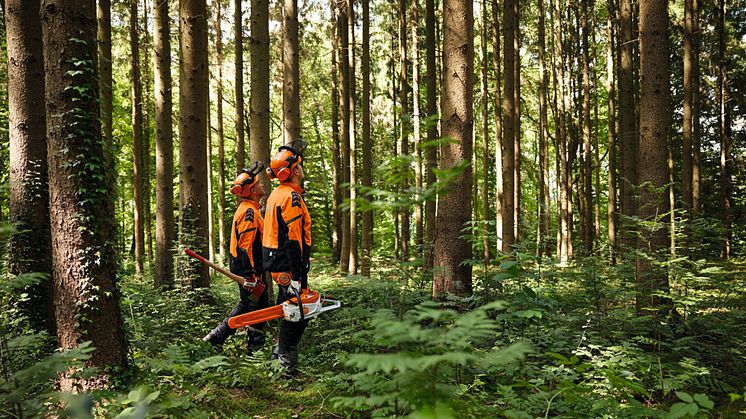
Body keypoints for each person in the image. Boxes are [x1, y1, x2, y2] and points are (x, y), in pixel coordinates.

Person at [203, 162, 269, 351]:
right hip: (247, 269)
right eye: (258, 183)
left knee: (257, 306)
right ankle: (217, 338)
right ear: (252, 189)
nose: (262, 185)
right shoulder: (248, 211)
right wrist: (251, 274)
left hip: (251, 268)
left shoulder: (252, 208)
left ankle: (251, 345)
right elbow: (244, 247)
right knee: (250, 306)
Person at [263, 141, 311, 377]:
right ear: (292, 172)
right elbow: (293, 239)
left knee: (294, 311)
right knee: (297, 313)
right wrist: (297, 274)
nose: (302, 170)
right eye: (299, 167)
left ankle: (278, 358)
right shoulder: (289, 197)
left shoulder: (278, 193)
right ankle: (284, 367)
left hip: (281, 262)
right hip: (287, 265)